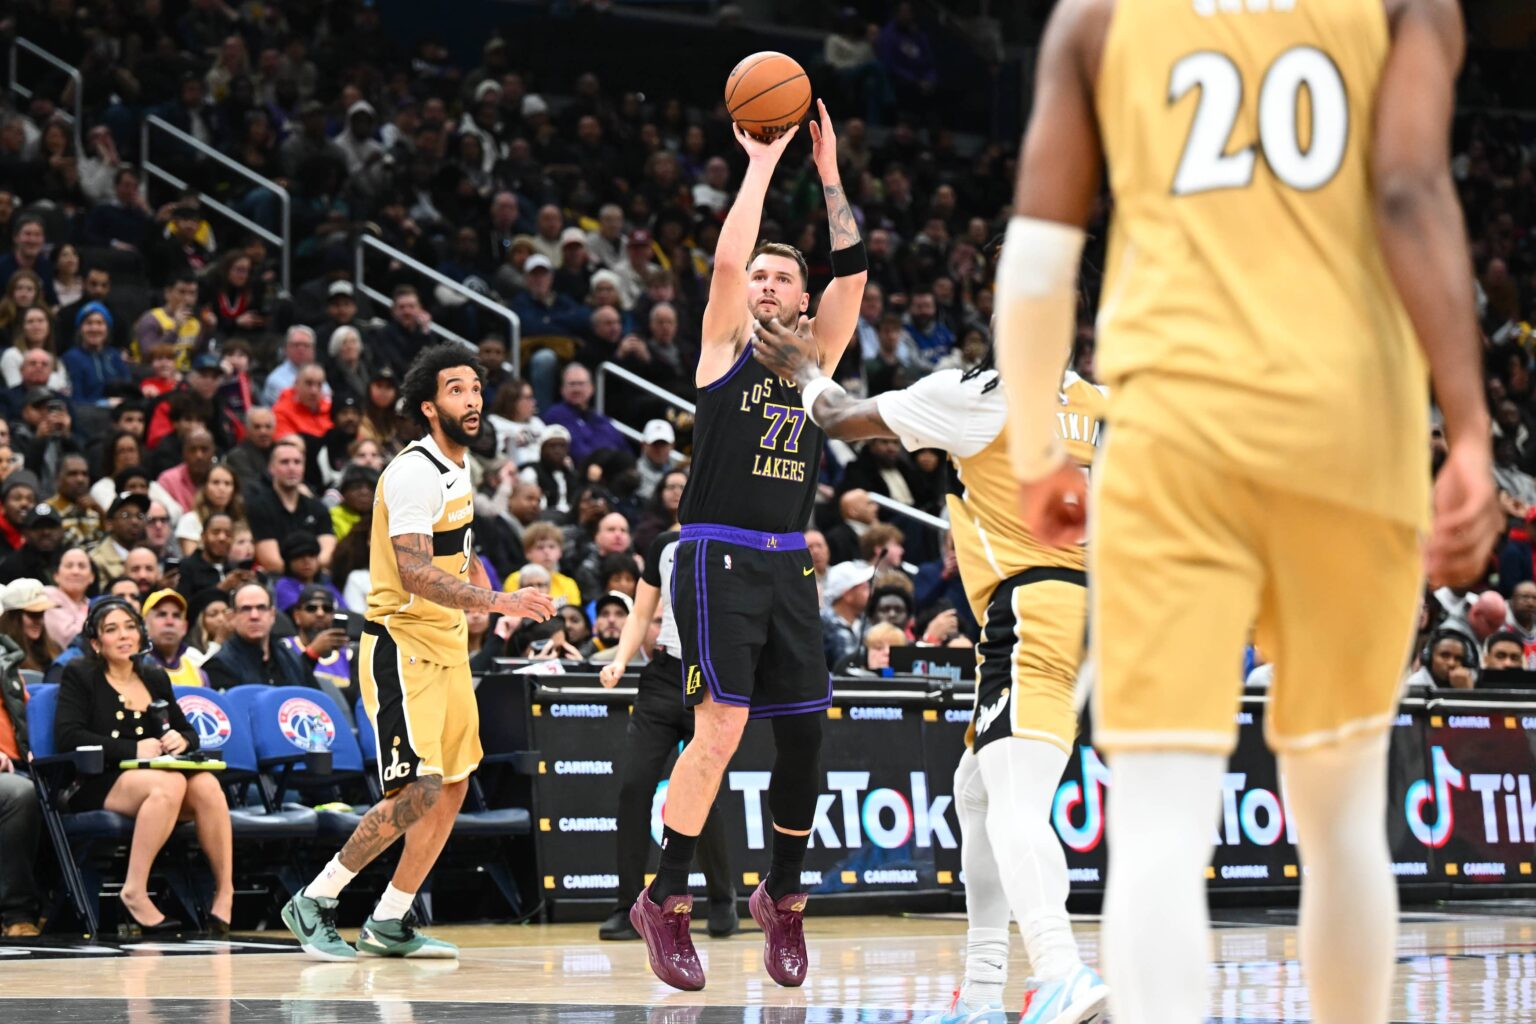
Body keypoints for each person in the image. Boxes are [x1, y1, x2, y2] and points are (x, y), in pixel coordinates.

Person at [996, 2, 1500, 1023]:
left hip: (1174, 432)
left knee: (1160, 822)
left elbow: (1041, 260)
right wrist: (1473, 426)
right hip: (1352, 431)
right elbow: (1408, 190)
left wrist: (1041, 449)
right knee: (1343, 815)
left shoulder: (1097, 16)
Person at [751, 318, 1109, 1020]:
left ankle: (1062, 970)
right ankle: (980, 991)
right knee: (974, 788)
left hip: (1031, 607)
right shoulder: (1097, 405)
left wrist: (804, 368)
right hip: (1090, 609)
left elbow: (837, 416)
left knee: (1013, 799)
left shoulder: (977, 395)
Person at [633, 100, 866, 992]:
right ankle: (666, 899)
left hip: (786, 562)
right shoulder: (725, 346)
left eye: (782, 280)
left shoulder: (820, 356)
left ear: (804, 302)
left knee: (807, 738)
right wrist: (764, 163)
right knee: (721, 728)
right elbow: (728, 257)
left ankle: (785, 896)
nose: (766, 285)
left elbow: (855, 268)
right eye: (760, 277)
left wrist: (832, 173)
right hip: (714, 552)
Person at [281, 345, 555, 962]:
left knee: (454, 786)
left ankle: (390, 919)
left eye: (477, 388)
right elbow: (412, 571)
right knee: (417, 790)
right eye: (458, 390)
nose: (474, 399)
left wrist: (487, 599)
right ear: (430, 407)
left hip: (448, 647)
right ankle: (314, 900)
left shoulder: (460, 468)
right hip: (400, 647)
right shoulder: (412, 473)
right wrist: (497, 602)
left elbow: (457, 551)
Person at [598, 529, 736, 941]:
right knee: (633, 787)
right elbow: (641, 614)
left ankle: (721, 896)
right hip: (662, 676)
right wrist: (621, 661)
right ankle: (627, 906)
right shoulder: (664, 545)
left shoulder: (736, 541)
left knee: (700, 793)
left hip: (712, 678)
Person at [0, 609, 41, 936]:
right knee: (20, 795)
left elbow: (25, 723)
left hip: (18, 765)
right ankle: (16, 913)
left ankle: (57, 908)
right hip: (10, 779)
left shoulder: (7, 659)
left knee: (57, 795)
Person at [247, 440, 334, 572]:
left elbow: (327, 554)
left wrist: (309, 571)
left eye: (297, 462)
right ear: (271, 468)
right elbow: (271, 561)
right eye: (284, 462)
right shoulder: (259, 506)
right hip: (277, 579)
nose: (292, 468)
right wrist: (304, 570)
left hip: (315, 578)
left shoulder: (317, 507)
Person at [282, 584, 352, 695]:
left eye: (327, 608)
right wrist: (312, 653)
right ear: (297, 616)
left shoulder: (349, 654)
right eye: (311, 608)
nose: (320, 613)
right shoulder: (284, 648)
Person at [139, 588, 207, 688]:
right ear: (144, 624)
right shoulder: (133, 669)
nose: (170, 622)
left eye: (176, 616)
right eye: (161, 614)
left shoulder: (199, 675)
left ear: (185, 627)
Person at [0, 579, 62, 674]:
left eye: (41, 613)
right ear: (14, 617)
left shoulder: (53, 649)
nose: (39, 621)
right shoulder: (3, 656)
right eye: (33, 615)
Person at [90, 490, 150, 584]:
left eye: (140, 516)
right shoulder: (97, 561)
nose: (135, 521)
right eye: (126, 515)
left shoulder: (147, 555)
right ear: (109, 524)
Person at [43, 546, 95, 650]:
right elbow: (68, 637)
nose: (75, 571)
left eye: (82, 566)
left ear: (92, 577)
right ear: (56, 575)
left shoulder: (93, 604)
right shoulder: (47, 595)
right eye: (69, 566)